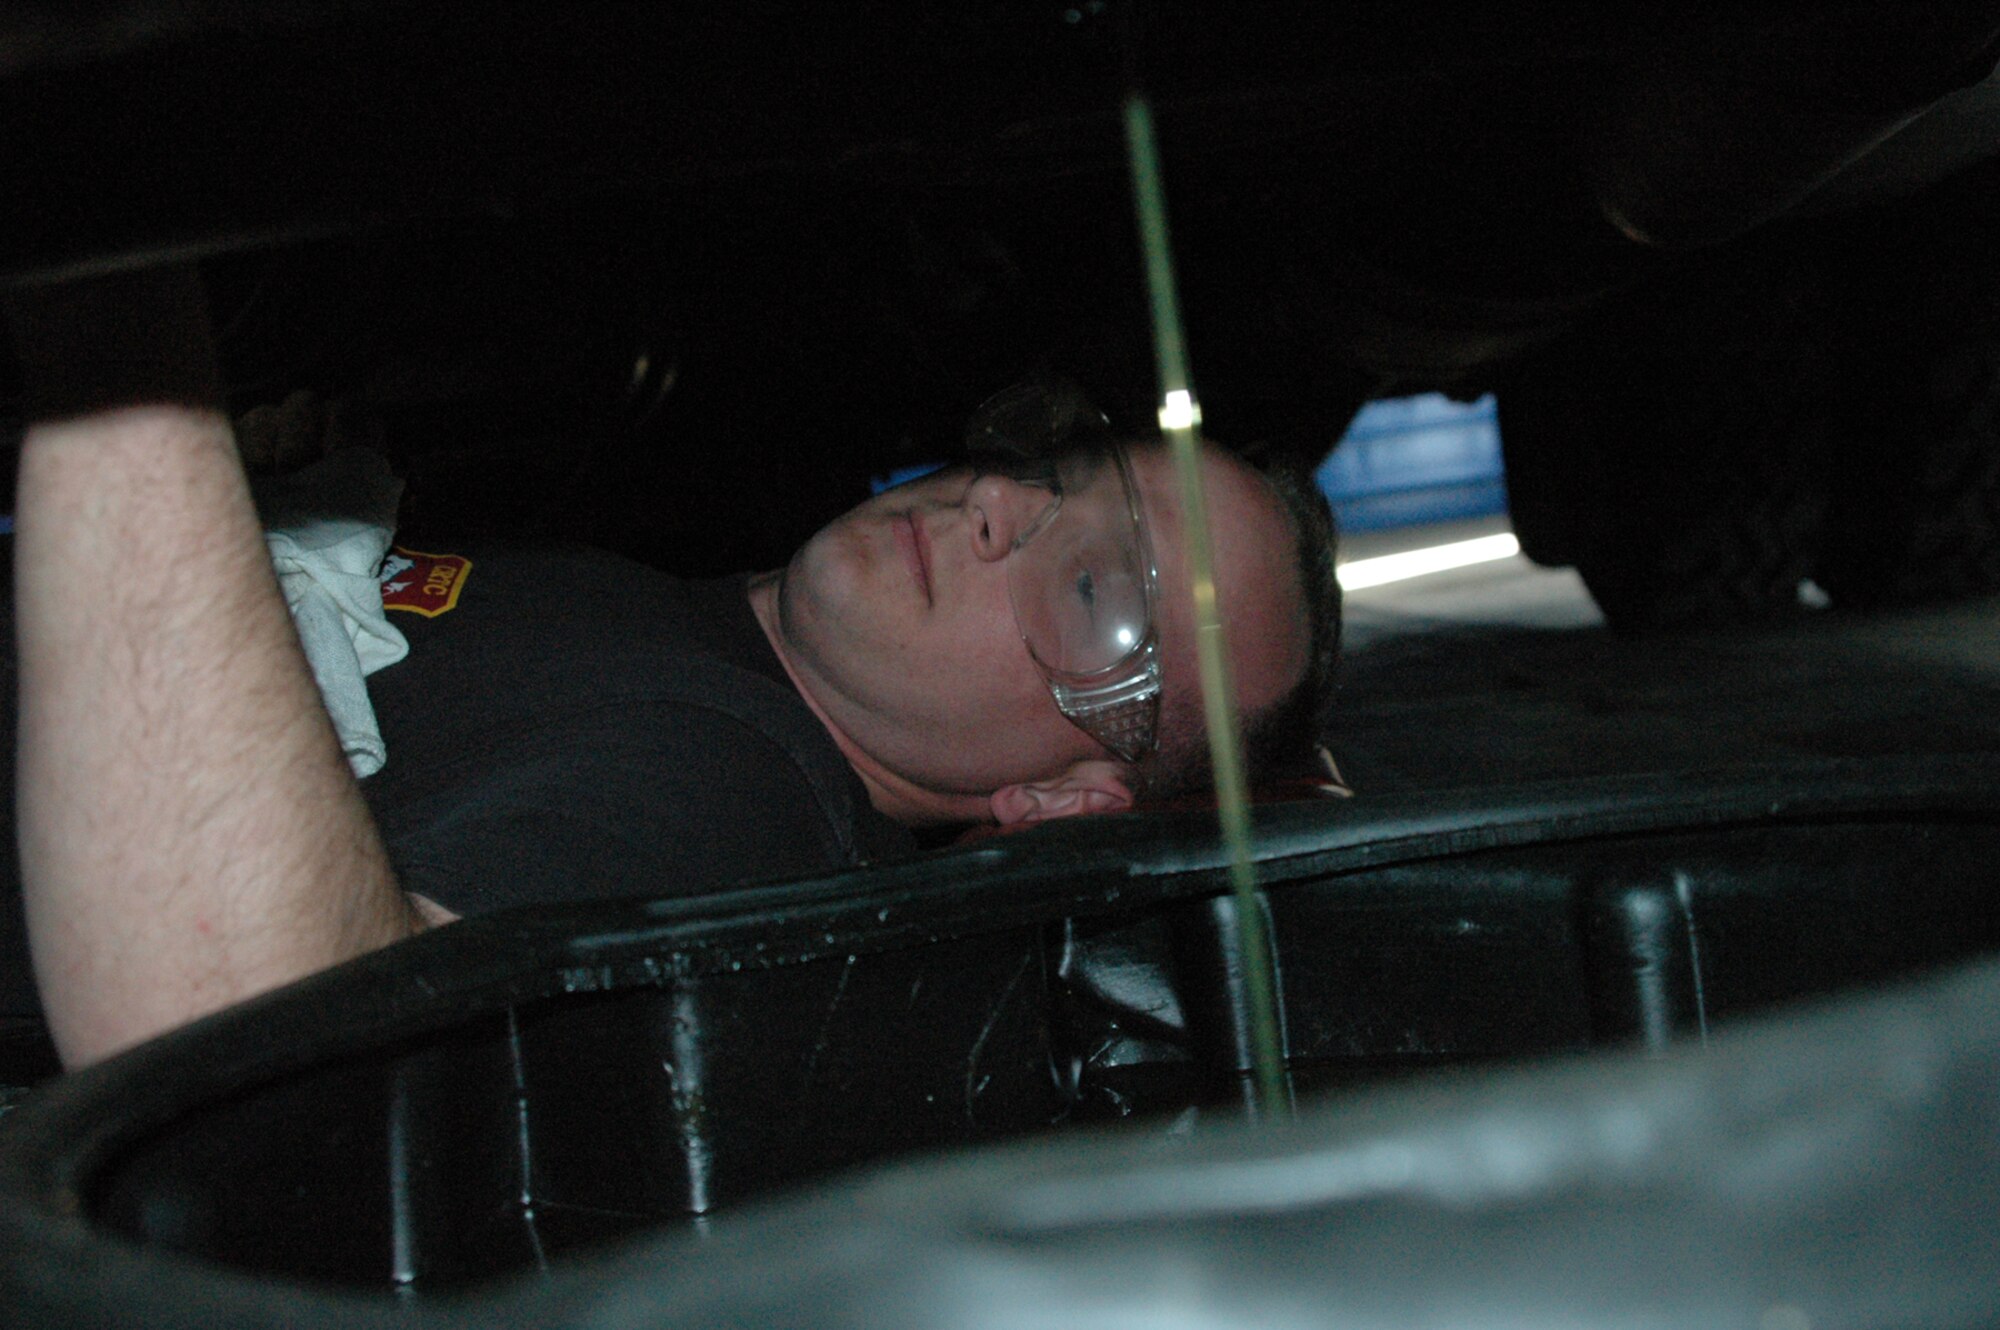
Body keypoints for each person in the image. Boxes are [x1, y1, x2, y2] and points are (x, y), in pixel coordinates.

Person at [4, 269, 1339, 1069]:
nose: (999, 506)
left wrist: (119, 321)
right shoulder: (690, 635)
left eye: (1099, 591)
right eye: (1053, 466)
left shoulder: (734, 799)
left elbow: (246, 1035)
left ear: (1063, 796)